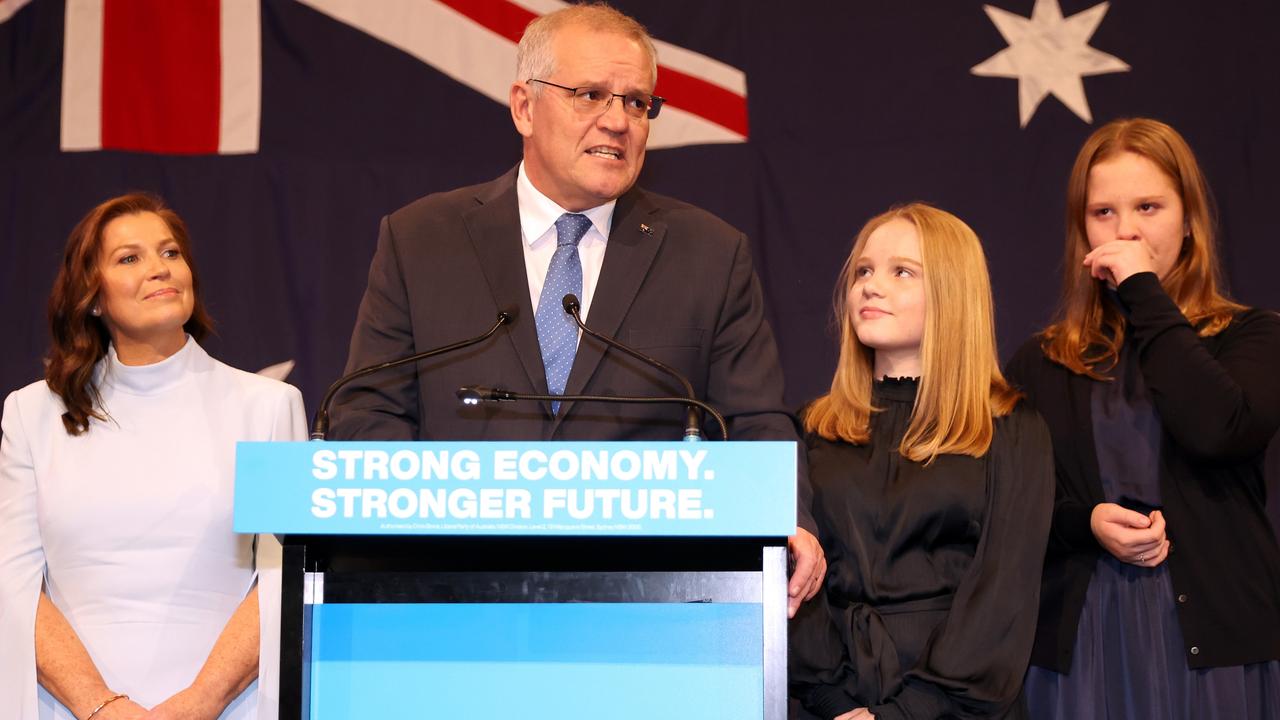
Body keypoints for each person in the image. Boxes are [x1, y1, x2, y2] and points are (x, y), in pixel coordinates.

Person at [329, 2, 823, 611]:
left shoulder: (710, 255)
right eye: (590, 94)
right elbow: (367, 412)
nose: (617, 121)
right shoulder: (421, 239)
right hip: (451, 597)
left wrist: (786, 519)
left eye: (637, 102)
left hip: (647, 605)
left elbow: (754, 423)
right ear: (523, 106)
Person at [1009, 118, 1280, 717]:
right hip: (1083, 642)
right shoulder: (1043, 360)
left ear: (1189, 220)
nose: (1125, 229)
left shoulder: (1253, 336)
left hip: (1216, 645)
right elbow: (1011, 507)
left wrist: (1142, 290)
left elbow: (1218, 428)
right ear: (1081, 229)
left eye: (1148, 207)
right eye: (1103, 212)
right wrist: (1087, 525)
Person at [0, 193, 306, 719]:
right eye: (129, 258)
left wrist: (196, 704)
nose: (159, 270)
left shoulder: (270, 406)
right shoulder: (31, 413)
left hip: (227, 708)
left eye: (170, 253)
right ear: (92, 297)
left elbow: (283, 578)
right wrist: (102, 707)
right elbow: (14, 580)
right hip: (71, 709)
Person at [789, 203, 1053, 720]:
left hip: (956, 708)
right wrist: (834, 701)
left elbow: (1003, 595)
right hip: (831, 704)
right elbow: (795, 582)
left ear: (953, 295)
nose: (870, 285)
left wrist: (908, 712)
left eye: (901, 271)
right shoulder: (809, 427)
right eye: (863, 270)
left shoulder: (1012, 429)